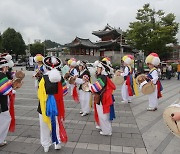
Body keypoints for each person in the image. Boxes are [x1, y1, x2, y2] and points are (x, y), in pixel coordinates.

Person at [37, 56, 67, 152]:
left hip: (43, 105)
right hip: (57, 105)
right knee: (56, 123)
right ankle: (57, 142)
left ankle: (46, 144)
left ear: (46, 67)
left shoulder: (43, 78)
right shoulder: (60, 78)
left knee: (44, 124)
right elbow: (65, 91)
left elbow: (40, 93)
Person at [89, 60, 116, 136]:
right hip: (105, 97)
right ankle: (107, 129)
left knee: (103, 115)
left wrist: (88, 85)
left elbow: (96, 88)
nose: (97, 69)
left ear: (102, 69)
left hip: (103, 98)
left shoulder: (102, 77)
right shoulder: (104, 77)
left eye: (98, 68)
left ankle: (106, 131)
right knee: (105, 115)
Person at [0, 54, 19, 146]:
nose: (7, 68)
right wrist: (14, 87)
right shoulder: (1, 75)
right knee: (6, 119)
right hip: (1, 104)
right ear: (3, 67)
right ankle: (0, 140)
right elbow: (5, 90)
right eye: (6, 66)